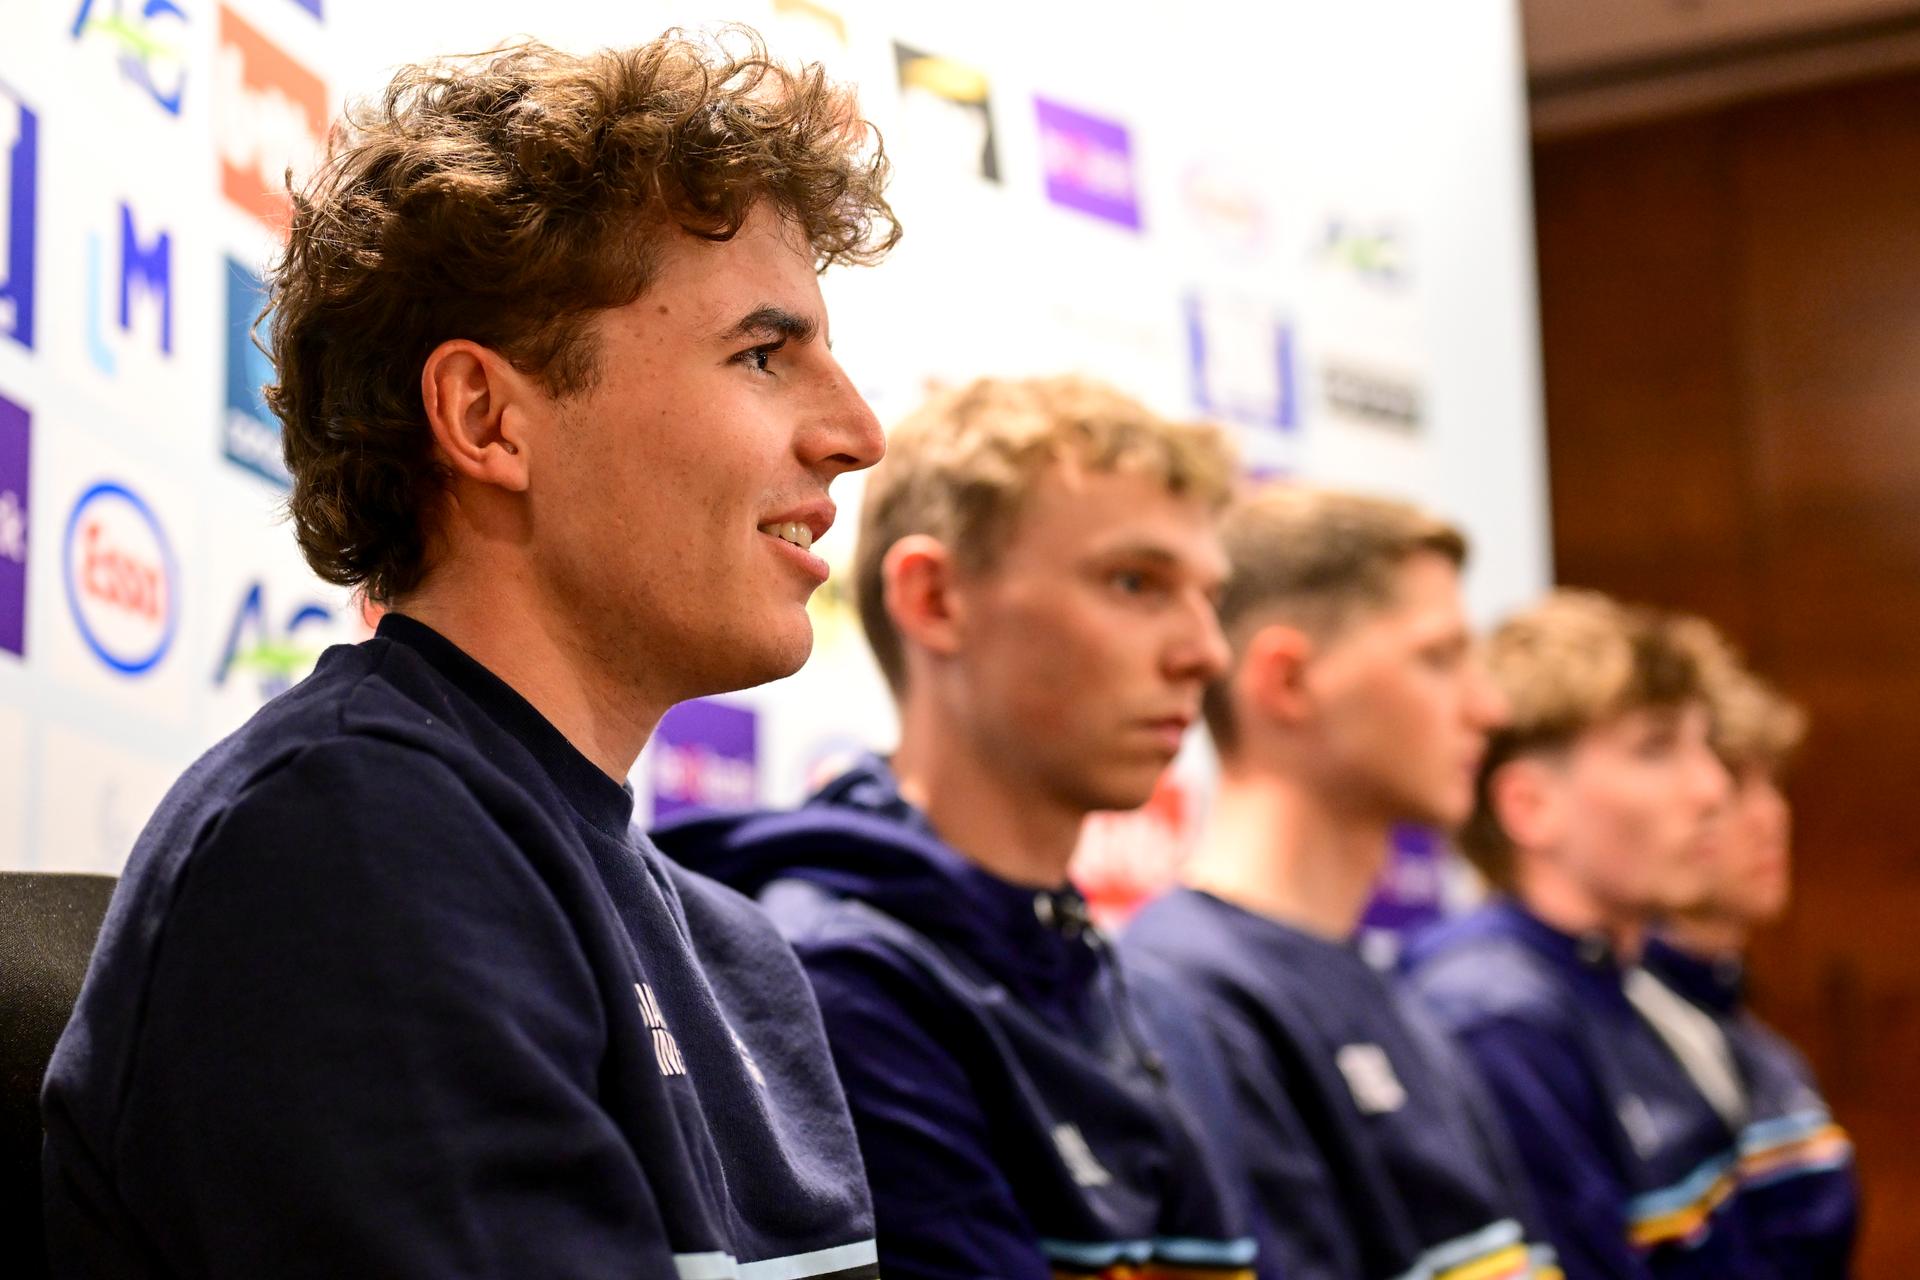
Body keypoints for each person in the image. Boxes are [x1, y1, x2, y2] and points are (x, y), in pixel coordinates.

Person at [43, 33, 897, 1279]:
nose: (859, 432)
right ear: (488, 418)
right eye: (763, 353)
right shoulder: (344, 849)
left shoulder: (739, 956)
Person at [656, 376, 1259, 1280]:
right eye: (1136, 582)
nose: (1206, 652)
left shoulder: (1145, 998)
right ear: (935, 598)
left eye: (1209, 596)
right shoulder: (833, 983)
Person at [1123, 486, 1558, 1280]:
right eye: (1438, 658)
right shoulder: (1186, 996)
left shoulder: (1374, 977)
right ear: (1287, 681)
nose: (1489, 708)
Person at [1401, 590, 1774, 1278]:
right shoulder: (1497, 1018)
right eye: (1656, 749)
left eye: (1704, 745)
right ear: (1530, 805)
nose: (1712, 788)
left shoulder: (1626, 983)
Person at [1634, 623, 1858, 1277]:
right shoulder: (1615, 1018)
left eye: (1773, 784)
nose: (1770, 818)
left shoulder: (1745, 1029)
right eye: (1735, 787)